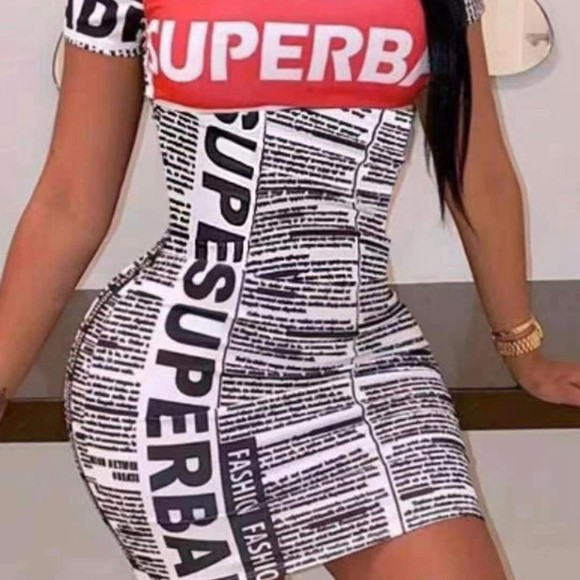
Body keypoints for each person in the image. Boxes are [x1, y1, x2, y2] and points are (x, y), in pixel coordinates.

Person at [2, 0, 580, 578]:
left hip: (367, 366)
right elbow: (68, 203)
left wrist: (522, 349)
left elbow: (479, 173)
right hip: (190, 378)